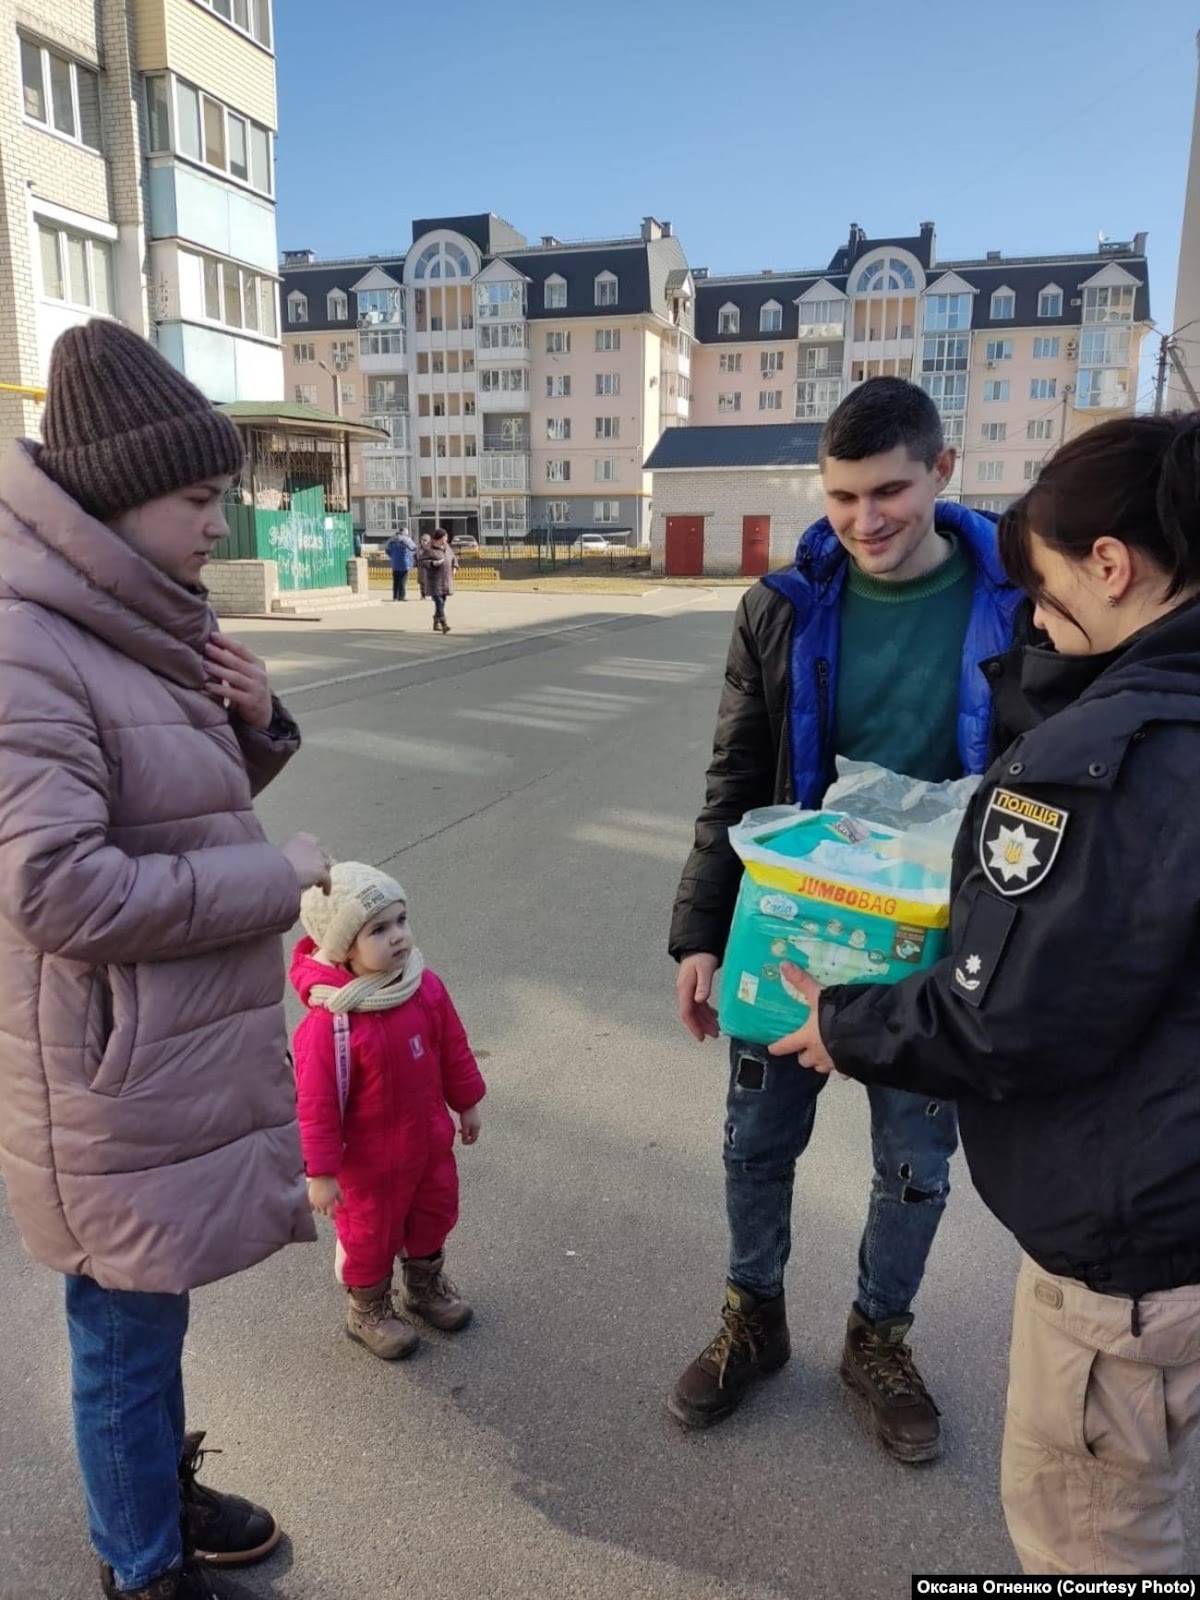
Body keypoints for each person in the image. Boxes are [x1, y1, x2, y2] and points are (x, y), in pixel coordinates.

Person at [781, 412, 1200, 1575]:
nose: (1039, 623)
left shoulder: (1105, 757)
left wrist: (842, 1020)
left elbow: (1012, 1012)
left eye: (1053, 595)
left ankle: (880, 1331)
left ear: (1111, 565)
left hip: (1132, 1246)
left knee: (1095, 1537)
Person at [0, 320, 333, 1600]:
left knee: (150, 1309)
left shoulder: (127, 618)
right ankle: (141, 1568)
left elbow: (161, 803)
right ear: (119, 492)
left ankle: (156, 1493)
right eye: (201, 498)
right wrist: (278, 872)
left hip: (146, 1059)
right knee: (122, 1329)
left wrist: (257, 723)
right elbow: (55, 885)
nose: (219, 526)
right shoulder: (33, 642)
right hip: (103, 1067)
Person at [667, 377, 1022, 1458]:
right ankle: (753, 1316)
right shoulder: (781, 607)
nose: (864, 520)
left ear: (942, 472)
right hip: (793, 929)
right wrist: (698, 932)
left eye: (889, 492)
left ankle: (879, 1332)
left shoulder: (1019, 598)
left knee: (915, 1158)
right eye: (840, 497)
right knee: (755, 1141)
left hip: (939, 942)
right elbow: (736, 777)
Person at [290, 863, 486, 1361]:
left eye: (401, 920)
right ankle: (368, 1309)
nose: (398, 937)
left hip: (428, 1145)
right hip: (369, 1167)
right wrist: (321, 1172)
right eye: (379, 929)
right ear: (343, 947)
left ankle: (423, 1287)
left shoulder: (424, 988)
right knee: (369, 1237)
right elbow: (315, 1107)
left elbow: (453, 1050)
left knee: (434, 1214)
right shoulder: (330, 1024)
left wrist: (466, 1103)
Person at [418, 526, 458, 634]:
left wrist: (454, 568)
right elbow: (421, 561)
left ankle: (436, 622)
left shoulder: (447, 547)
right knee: (439, 602)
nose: (446, 539)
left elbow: (453, 558)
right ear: (439, 538)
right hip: (434, 581)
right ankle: (444, 624)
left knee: (442, 602)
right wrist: (433, 563)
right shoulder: (428, 548)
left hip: (445, 580)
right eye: (445, 537)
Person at [385, 526, 417, 601]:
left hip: (394, 563)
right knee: (403, 580)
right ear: (406, 532)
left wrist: (392, 556)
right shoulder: (406, 539)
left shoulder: (392, 539)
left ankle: (395, 596)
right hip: (404, 563)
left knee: (395, 581)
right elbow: (413, 548)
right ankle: (401, 597)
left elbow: (387, 549)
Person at [416, 530, 433, 599]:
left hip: (429, 567)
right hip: (421, 567)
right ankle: (423, 595)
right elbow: (417, 557)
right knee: (422, 582)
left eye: (425, 540)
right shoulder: (419, 548)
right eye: (422, 540)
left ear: (428, 541)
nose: (423, 542)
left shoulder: (431, 548)